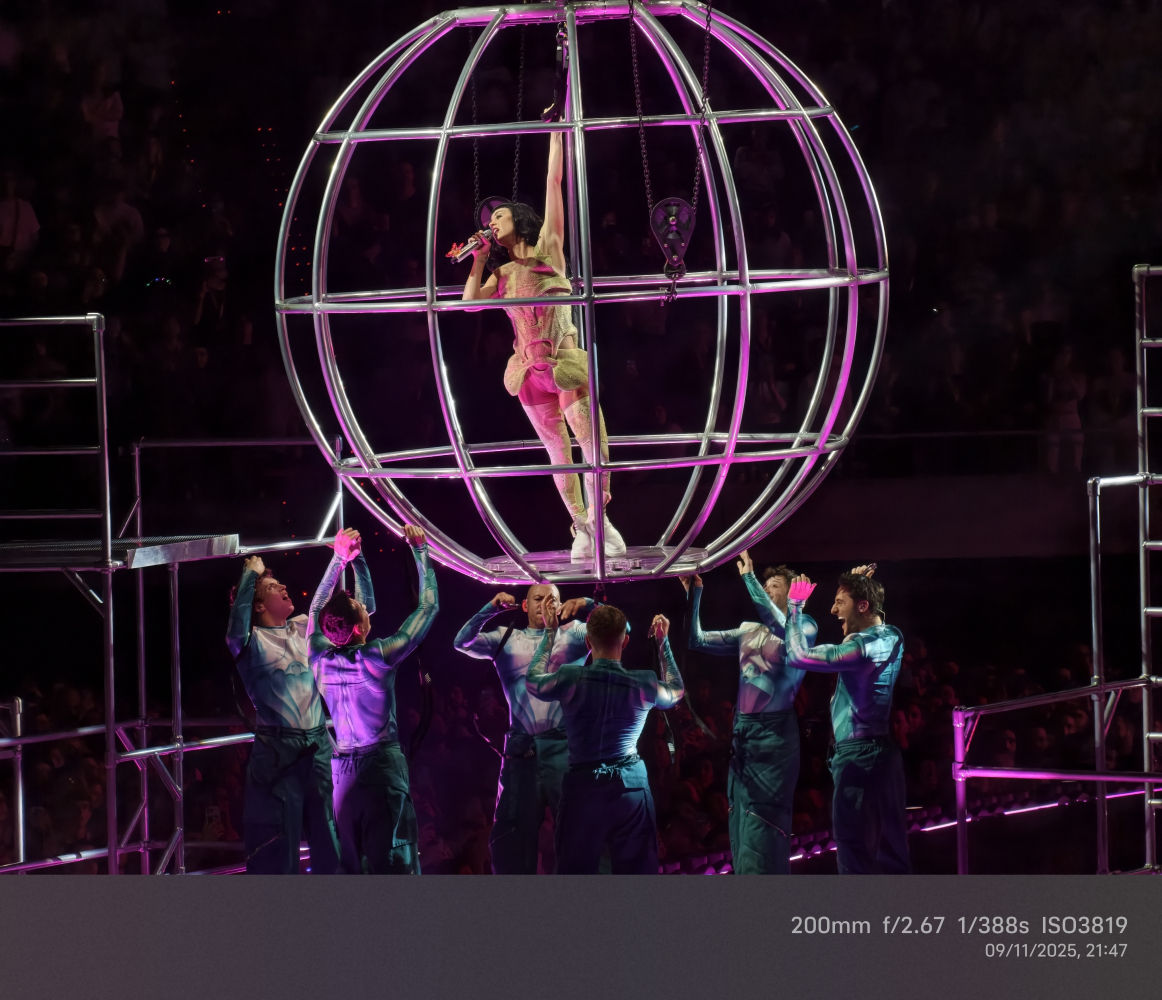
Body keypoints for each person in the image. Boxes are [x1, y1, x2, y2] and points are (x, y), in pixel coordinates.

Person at [461, 125, 625, 561]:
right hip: (527, 372)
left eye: (498, 216)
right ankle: (580, 524)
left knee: (591, 442)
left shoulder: (550, 249)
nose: (491, 223)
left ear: (519, 220)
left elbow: (555, 184)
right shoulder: (501, 275)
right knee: (557, 452)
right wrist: (477, 262)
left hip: (563, 361)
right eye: (489, 221)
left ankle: (600, 516)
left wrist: (556, 135)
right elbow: (469, 304)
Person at [308, 525, 438, 874]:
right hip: (380, 768)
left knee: (351, 868)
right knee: (394, 866)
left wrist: (342, 559)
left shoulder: (319, 658)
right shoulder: (376, 658)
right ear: (358, 629)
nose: (368, 612)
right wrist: (421, 551)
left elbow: (316, 612)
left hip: (344, 776)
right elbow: (428, 609)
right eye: (363, 614)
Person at [681, 550, 818, 873]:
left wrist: (750, 577)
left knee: (763, 827)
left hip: (774, 736)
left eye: (775, 585)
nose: (768, 589)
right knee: (740, 822)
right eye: (765, 584)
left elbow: (778, 623)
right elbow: (696, 640)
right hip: (743, 735)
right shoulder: (748, 630)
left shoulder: (803, 628)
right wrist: (694, 595)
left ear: (792, 593)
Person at [525, 601, 684, 873]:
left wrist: (550, 634)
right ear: (626, 641)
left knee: (576, 874)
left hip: (583, 788)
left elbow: (533, 680)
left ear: (588, 642)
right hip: (631, 788)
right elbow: (677, 692)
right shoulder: (644, 683)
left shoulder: (569, 678)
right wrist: (662, 644)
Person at [453, 583, 596, 873]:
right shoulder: (508, 638)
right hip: (522, 750)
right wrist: (490, 609)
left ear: (560, 605)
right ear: (525, 606)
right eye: (538, 599)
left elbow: (621, 630)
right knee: (511, 838)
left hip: (565, 748)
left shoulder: (575, 633)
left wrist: (588, 603)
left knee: (580, 830)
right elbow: (461, 642)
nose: (545, 604)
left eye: (552, 599)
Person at [783, 566, 910, 874]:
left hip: (860, 759)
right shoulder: (892, 635)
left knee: (855, 854)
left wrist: (795, 608)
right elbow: (870, 624)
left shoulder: (861, 648)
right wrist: (860, 584)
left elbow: (798, 656)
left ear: (862, 605)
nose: (832, 609)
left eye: (840, 601)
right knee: (890, 854)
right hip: (879, 755)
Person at [225, 553, 341, 874]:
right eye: (274, 587)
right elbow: (235, 629)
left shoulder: (303, 626)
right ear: (259, 605)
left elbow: (323, 603)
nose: (284, 587)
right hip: (278, 754)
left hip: (317, 745)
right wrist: (251, 573)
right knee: (278, 842)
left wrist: (339, 560)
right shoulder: (251, 641)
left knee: (329, 833)